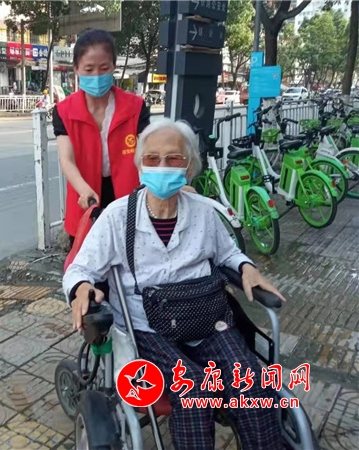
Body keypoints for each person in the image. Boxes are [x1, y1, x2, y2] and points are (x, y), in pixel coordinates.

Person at [63, 118, 287, 450]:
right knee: (193, 387)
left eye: (173, 158)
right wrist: (82, 287)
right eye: (152, 158)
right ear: (140, 165)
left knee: (249, 379)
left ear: (189, 166)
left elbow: (228, 252)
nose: (162, 166)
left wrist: (246, 267)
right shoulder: (117, 216)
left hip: (207, 319)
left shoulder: (204, 212)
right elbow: (80, 268)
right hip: (147, 328)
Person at [53, 29, 153, 249]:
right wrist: (84, 190)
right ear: (76, 69)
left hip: (128, 198)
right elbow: (66, 160)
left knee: (130, 258)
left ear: (114, 66)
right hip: (86, 197)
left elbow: (150, 151)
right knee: (87, 260)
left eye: (104, 68)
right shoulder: (64, 111)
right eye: (89, 69)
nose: (97, 76)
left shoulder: (135, 107)